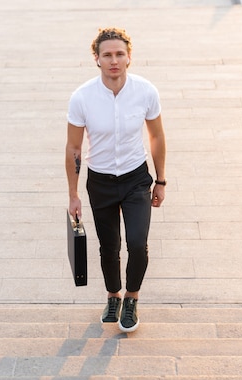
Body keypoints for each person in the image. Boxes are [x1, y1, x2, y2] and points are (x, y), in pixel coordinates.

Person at [65, 27, 167, 333]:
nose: (114, 60)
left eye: (119, 54)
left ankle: (132, 298)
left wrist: (160, 180)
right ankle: (113, 296)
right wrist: (73, 194)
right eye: (107, 54)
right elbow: (73, 148)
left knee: (137, 243)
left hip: (136, 178)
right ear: (96, 59)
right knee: (108, 247)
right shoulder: (82, 97)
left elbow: (157, 136)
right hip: (101, 181)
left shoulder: (146, 91)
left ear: (129, 57)